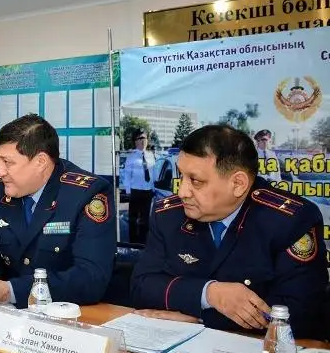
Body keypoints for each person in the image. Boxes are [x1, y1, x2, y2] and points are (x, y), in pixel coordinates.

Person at [130, 125, 327, 339]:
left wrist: (201, 318)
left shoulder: (290, 220)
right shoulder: (168, 215)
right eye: (181, 176)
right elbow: (142, 287)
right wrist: (209, 293)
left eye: (195, 181)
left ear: (238, 184)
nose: (182, 191)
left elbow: (301, 314)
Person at [0, 114, 116, 308]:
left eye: (8, 162)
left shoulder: (86, 194)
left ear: (41, 162)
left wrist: (10, 291)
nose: (0, 172)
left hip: (69, 313)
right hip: (9, 316)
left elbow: (90, 278)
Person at [123, 129, 157, 243]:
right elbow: (127, 175)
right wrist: (128, 191)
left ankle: (143, 242)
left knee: (145, 218)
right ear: (135, 141)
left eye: (145, 138)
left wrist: (154, 188)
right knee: (133, 218)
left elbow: (153, 173)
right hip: (135, 191)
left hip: (148, 191)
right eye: (140, 138)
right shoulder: (131, 156)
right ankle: (133, 242)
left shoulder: (151, 155)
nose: (143, 141)